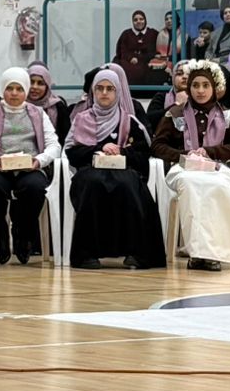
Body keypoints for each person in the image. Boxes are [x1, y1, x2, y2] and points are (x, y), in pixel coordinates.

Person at [151, 63, 230, 271]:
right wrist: (184, 155)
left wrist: (211, 152)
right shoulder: (175, 113)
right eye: (195, 85)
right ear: (189, 88)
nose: (200, 91)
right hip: (184, 168)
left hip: (217, 168)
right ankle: (196, 252)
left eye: (205, 85)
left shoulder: (228, 116)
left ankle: (211, 253)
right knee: (191, 185)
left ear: (214, 88)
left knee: (217, 187)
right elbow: (157, 146)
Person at [64, 66, 163, 270]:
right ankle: (87, 254)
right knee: (94, 184)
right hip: (89, 172)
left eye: (110, 89)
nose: (104, 93)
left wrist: (122, 152)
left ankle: (136, 253)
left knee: (127, 185)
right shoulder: (82, 119)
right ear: (93, 91)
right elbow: (72, 153)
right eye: (99, 88)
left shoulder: (129, 121)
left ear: (118, 92)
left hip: (124, 171)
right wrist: (99, 149)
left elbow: (143, 154)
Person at [0, 68, 60, 265]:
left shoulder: (38, 113)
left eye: (19, 88)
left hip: (30, 167)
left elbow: (54, 146)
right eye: (10, 88)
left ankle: (23, 234)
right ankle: (0, 233)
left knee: (34, 187)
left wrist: (39, 161)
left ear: (26, 90)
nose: (14, 93)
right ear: (3, 89)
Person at [114, 10, 162, 88]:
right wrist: (130, 58)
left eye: (141, 19)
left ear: (145, 20)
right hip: (129, 62)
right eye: (135, 20)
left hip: (147, 61)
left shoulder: (153, 33)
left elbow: (159, 48)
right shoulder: (126, 34)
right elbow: (121, 50)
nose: (138, 21)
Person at [27, 63, 71, 142]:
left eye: (40, 83)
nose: (35, 87)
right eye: (31, 82)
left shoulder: (57, 106)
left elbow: (65, 138)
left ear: (47, 86)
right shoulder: (17, 105)